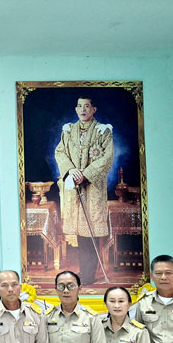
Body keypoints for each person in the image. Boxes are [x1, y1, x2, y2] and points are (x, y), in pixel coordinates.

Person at [53, 96, 114, 285]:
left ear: (93, 109)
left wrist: (85, 174)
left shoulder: (103, 131)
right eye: (79, 106)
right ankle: (84, 271)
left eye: (87, 106)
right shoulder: (68, 130)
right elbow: (60, 152)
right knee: (80, 232)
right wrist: (71, 171)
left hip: (92, 188)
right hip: (74, 186)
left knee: (91, 230)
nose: (83, 110)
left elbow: (107, 157)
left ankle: (89, 273)